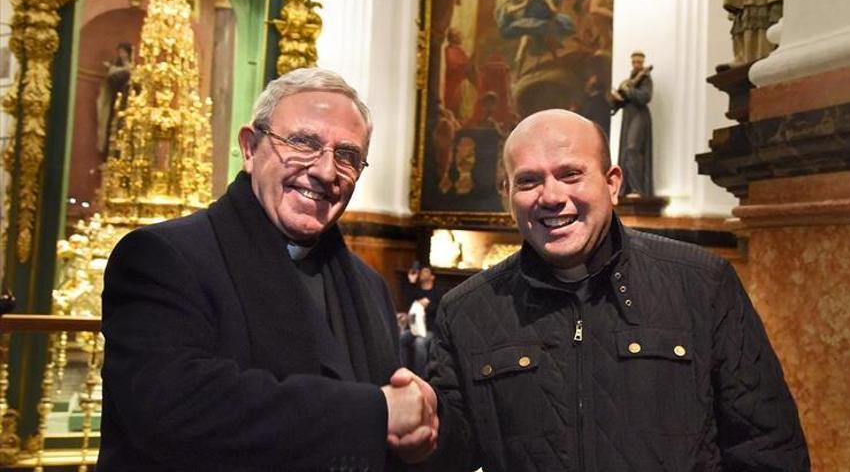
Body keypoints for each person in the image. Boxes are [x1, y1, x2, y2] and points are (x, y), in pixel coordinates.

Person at [420, 109, 810, 471]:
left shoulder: (702, 284)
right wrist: (416, 429)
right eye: (528, 180)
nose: (552, 197)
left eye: (571, 174)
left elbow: (767, 448)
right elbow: (449, 452)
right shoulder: (466, 310)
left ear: (612, 183)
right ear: (508, 195)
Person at [98, 68, 437, 471]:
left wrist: (419, 435)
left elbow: (396, 428)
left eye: (347, 156)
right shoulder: (162, 257)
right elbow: (173, 408)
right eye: (303, 142)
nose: (326, 172)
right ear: (250, 148)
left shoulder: (369, 286)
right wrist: (375, 413)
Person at [611, 50, 654, 197]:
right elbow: (620, 102)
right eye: (634, 62)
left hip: (640, 115)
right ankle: (627, 188)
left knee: (632, 148)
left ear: (643, 63)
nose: (637, 65)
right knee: (625, 151)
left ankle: (638, 188)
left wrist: (628, 91)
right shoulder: (629, 80)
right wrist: (616, 97)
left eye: (639, 62)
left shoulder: (646, 78)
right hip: (629, 115)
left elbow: (645, 97)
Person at [96, 42, 133, 156]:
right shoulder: (115, 64)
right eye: (120, 52)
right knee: (112, 125)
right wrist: (113, 69)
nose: (121, 54)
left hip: (127, 101)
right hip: (115, 99)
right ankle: (109, 154)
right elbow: (111, 80)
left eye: (123, 52)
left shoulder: (131, 66)